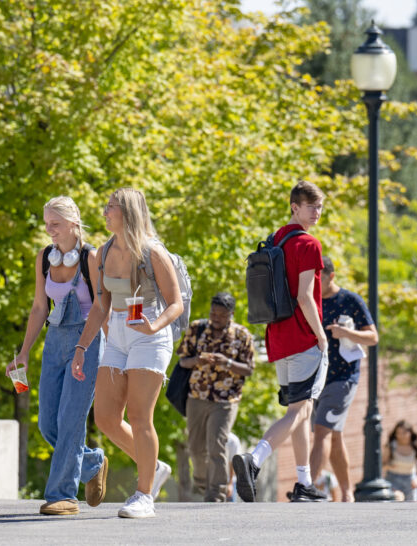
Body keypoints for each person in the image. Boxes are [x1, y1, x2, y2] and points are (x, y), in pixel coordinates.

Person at [71, 187, 183, 518]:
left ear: (129, 213)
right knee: (105, 418)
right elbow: (101, 304)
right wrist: (82, 346)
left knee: (139, 416)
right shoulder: (102, 254)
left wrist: (154, 326)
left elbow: (174, 302)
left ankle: (144, 495)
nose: (105, 212)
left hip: (150, 334)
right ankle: (154, 466)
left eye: (111, 207)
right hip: (117, 333)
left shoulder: (152, 252)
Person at [6, 196, 108, 516]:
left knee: (70, 421)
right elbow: (40, 307)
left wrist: (82, 347)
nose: (50, 230)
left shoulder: (91, 257)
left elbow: (101, 306)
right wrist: (24, 352)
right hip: (54, 341)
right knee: (48, 424)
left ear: (74, 223)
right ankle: (92, 463)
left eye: (56, 224)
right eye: (47, 224)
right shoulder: (43, 259)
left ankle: (62, 494)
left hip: (87, 342)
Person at [233, 180, 329, 503]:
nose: (317, 212)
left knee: (300, 408)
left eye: (319, 206)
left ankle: (304, 482)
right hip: (302, 337)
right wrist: (321, 335)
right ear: (295, 207)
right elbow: (305, 296)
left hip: (276, 337)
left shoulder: (275, 239)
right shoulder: (309, 245)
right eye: (311, 206)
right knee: (298, 412)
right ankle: (254, 460)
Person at [309, 256, 378, 503]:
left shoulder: (350, 301)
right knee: (334, 436)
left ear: (331, 276)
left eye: (320, 279)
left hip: (344, 378)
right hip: (317, 378)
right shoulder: (312, 300)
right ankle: (348, 494)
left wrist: (346, 333)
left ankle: (305, 488)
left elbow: (373, 337)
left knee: (321, 432)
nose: (316, 283)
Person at [176, 292, 254, 502]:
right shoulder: (197, 328)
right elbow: (183, 361)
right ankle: (203, 482)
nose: (216, 317)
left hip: (225, 400)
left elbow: (248, 369)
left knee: (216, 445)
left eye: (221, 314)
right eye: (213, 313)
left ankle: (217, 494)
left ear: (231, 314)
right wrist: (197, 361)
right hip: (197, 396)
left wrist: (227, 363)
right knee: (195, 447)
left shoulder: (242, 335)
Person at [383, 420, 417, 501]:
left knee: (412, 507)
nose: (401, 436)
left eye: (404, 433)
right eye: (398, 433)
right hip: (393, 479)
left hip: (410, 480)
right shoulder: (391, 446)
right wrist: (388, 466)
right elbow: (382, 464)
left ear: (410, 433)